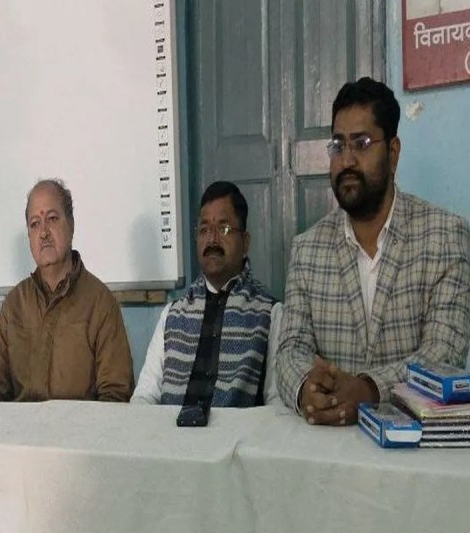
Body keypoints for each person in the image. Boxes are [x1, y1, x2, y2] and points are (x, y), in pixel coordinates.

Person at [276, 77, 470, 425]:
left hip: (414, 440)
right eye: (338, 145)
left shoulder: (444, 237)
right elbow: (290, 350)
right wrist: (307, 387)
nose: (346, 160)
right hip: (329, 440)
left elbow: (445, 353)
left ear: (393, 153)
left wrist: (369, 389)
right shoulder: (307, 250)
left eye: (362, 143)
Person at [0, 179, 134, 401]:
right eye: (35, 224)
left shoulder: (100, 303)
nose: (43, 232)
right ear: (29, 236)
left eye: (52, 219)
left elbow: (116, 395)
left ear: (71, 224)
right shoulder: (15, 304)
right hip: (20, 423)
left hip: (80, 424)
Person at [132, 181, 281, 407]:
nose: (212, 239)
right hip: (171, 430)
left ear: (245, 243)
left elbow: (277, 405)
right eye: (204, 230)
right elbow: (145, 394)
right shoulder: (172, 315)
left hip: (238, 431)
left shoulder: (270, 314)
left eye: (224, 229)